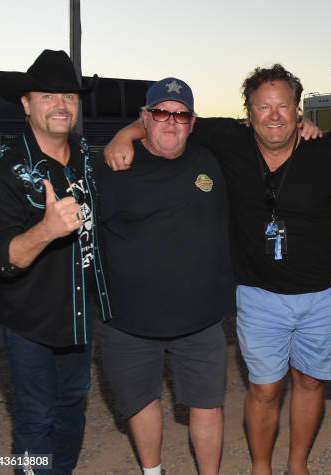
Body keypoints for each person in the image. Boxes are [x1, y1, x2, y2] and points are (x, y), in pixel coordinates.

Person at [104, 65, 331, 475]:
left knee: (310, 382)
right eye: (262, 107)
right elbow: (164, 119)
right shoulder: (227, 140)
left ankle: (298, 464)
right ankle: (261, 466)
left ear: (298, 110)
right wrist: (124, 134)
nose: (273, 115)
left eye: (283, 106)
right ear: (248, 112)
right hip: (257, 292)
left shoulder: (324, 149)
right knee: (265, 389)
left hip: (321, 293)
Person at [94, 78, 234, 475]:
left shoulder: (213, 159)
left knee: (207, 405)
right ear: (144, 118)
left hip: (200, 320)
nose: (171, 123)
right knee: (141, 403)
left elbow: (272, 130)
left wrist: (307, 126)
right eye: (160, 113)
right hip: (128, 323)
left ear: (193, 123)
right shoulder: (113, 167)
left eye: (181, 115)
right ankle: (152, 472)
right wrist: (125, 135)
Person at [0, 50, 112, 474]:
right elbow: (0, 259)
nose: (61, 105)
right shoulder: (1, 169)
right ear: (26, 103)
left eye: (70, 97)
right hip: (30, 323)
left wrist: (128, 135)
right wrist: (45, 231)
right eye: (48, 96)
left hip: (78, 318)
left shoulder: (86, 160)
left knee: (73, 408)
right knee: (36, 418)